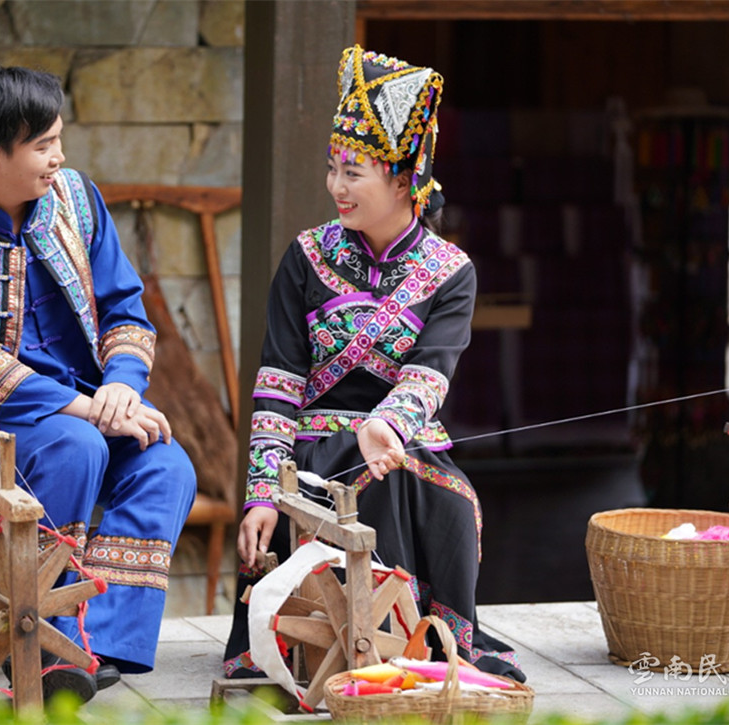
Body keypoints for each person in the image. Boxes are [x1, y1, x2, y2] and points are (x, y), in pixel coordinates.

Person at [0, 65, 197, 703]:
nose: (60, 157)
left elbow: (126, 310)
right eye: (44, 145)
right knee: (75, 447)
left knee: (167, 464)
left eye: (59, 140)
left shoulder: (78, 199)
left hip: (94, 408)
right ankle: (48, 647)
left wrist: (122, 386)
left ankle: (93, 647)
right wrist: (88, 408)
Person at [222, 46, 525, 684]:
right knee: (361, 483)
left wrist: (384, 425)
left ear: (405, 180)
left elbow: (430, 375)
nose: (336, 186)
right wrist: (260, 494)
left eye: (353, 172)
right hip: (312, 449)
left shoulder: (451, 272)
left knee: (448, 499)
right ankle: (359, 645)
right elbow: (277, 384)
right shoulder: (305, 256)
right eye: (333, 169)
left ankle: (424, 638)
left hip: (403, 441)